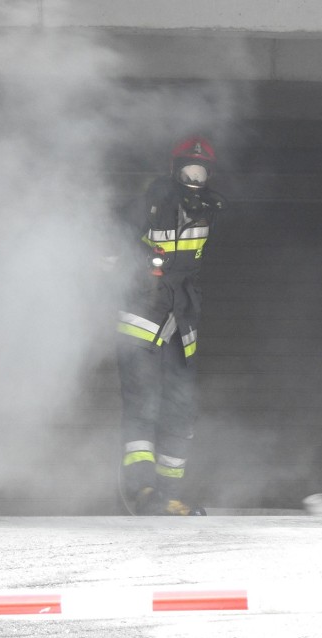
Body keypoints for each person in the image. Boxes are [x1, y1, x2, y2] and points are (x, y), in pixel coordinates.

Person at [115, 135, 226, 515]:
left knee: (181, 408)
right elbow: (111, 241)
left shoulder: (210, 210)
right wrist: (138, 262)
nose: (193, 178)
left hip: (183, 318)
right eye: (187, 170)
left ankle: (167, 495)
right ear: (174, 170)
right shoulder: (150, 202)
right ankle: (141, 490)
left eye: (200, 172)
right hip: (144, 311)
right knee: (142, 402)